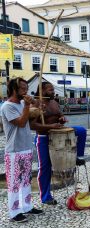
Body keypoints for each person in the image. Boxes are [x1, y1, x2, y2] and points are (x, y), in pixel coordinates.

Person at [30, 82, 87, 205]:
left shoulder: (54, 102)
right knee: (45, 167)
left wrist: (62, 119)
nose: (53, 92)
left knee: (81, 131)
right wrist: (50, 126)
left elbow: (60, 116)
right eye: (50, 90)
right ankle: (45, 196)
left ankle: (79, 157)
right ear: (42, 90)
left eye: (53, 89)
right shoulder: (35, 103)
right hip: (44, 136)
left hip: (58, 132)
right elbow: (32, 125)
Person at [1, 78, 44, 222]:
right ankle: (14, 212)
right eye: (23, 89)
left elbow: (29, 123)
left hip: (26, 147)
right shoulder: (7, 106)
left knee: (26, 180)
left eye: (26, 88)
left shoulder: (21, 103)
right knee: (14, 182)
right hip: (14, 150)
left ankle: (27, 206)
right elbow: (20, 123)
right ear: (14, 89)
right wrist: (27, 105)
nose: (26, 91)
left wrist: (37, 106)